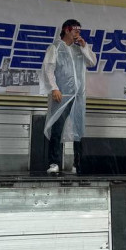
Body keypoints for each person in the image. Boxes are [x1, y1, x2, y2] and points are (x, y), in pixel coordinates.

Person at [39, 19, 97, 175]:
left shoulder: (79, 49)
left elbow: (92, 62)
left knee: (78, 130)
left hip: (78, 96)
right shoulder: (55, 48)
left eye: (79, 30)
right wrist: (54, 88)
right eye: (75, 30)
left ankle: (78, 163)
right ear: (66, 30)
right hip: (62, 95)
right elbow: (48, 69)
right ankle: (54, 162)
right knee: (57, 128)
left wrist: (84, 46)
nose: (78, 33)